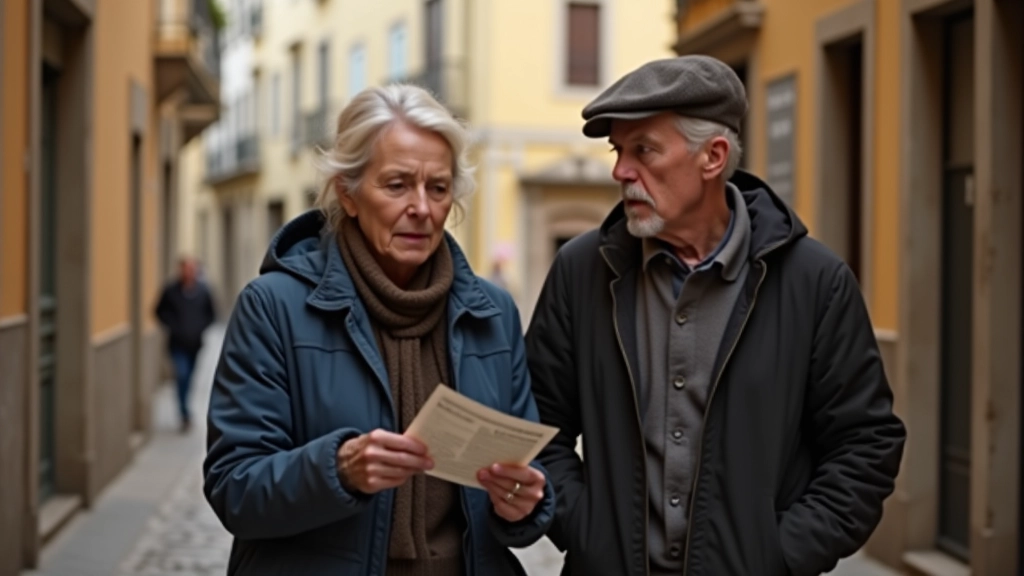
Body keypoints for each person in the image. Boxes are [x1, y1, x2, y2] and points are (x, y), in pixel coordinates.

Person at [526, 55, 906, 576]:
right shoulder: (580, 270)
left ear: (713, 156)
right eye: (619, 150)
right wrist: (587, 529)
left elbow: (866, 444)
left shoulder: (814, 281)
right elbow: (536, 425)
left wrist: (780, 555)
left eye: (644, 150)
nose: (619, 170)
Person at [203, 84, 555, 576]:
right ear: (347, 193)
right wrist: (339, 469)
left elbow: (527, 477)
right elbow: (233, 487)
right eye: (396, 185)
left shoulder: (492, 313)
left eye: (437, 187)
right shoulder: (273, 307)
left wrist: (526, 501)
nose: (422, 208)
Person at [155, 257, 217, 432]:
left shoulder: (203, 291)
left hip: (195, 343)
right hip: (177, 343)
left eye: (192, 269)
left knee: (189, 378)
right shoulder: (171, 290)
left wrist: (200, 327)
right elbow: (159, 311)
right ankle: (184, 413)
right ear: (180, 270)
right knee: (181, 375)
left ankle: (185, 408)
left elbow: (212, 314)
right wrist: (173, 326)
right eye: (186, 269)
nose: (189, 272)